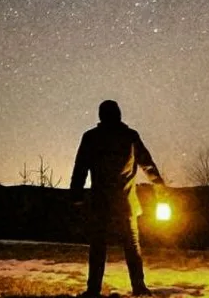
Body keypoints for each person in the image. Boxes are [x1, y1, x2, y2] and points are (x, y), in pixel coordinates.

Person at [70, 100, 167, 298]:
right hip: (126, 202)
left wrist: (76, 195)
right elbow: (147, 164)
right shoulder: (130, 137)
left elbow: (80, 167)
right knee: (132, 245)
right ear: (119, 115)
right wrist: (160, 186)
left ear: (100, 116)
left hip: (101, 202)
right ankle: (139, 287)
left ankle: (93, 289)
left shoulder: (91, 137)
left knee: (98, 246)